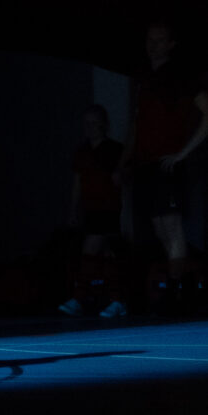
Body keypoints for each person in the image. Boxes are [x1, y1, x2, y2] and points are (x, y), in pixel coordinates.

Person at [121, 20, 208, 309]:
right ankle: (180, 284)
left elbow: (207, 112)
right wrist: (126, 161)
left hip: (166, 163)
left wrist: (183, 153)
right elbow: (137, 124)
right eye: (150, 39)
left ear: (171, 44)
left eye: (159, 40)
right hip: (145, 164)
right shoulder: (145, 79)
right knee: (159, 227)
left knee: (172, 226)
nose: (153, 45)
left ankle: (177, 293)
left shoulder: (180, 77)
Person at [59, 104, 125, 319]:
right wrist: (73, 210)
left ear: (103, 124)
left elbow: (122, 177)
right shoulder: (82, 151)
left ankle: (79, 297)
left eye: (94, 123)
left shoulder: (115, 150)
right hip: (90, 208)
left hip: (108, 207)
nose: (90, 127)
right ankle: (116, 300)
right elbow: (77, 183)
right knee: (105, 254)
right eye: (86, 123)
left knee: (92, 250)